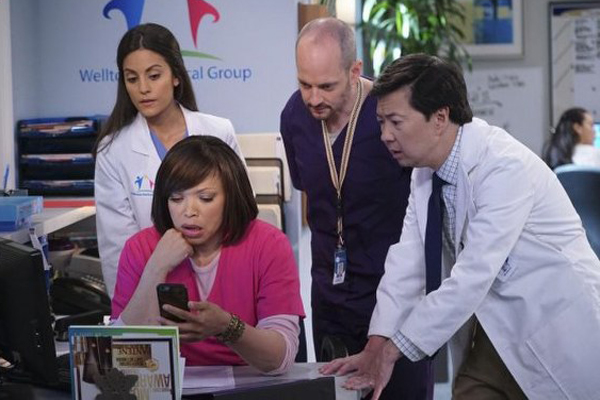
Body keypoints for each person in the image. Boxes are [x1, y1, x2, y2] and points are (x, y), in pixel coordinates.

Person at [321, 53, 600, 400]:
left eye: (395, 122)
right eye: (381, 122)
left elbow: (472, 275)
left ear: (440, 118)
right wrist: (377, 343)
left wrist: (393, 350)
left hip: (551, 325)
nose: (385, 136)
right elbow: (407, 263)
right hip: (492, 331)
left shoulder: (503, 166)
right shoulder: (424, 173)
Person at [279, 18, 432, 399]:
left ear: (355, 70)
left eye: (327, 86)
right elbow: (305, 185)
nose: (314, 98)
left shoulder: (389, 115)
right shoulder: (294, 116)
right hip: (329, 292)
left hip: (393, 291)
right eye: (305, 84)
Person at [111, 135, 305, 373]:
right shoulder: (140, 247)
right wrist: (156, 268)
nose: (189, 211)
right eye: (176, 199)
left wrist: (227, 327)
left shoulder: (268, 244)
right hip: (169, 381)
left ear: (231, 197)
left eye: (205, 198)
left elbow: (279, 359)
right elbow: (117, 357)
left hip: (249, 381)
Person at [93, 23, 244, 298]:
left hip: (222, 282)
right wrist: (128, 313)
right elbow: (117, 250)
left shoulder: (218, 132)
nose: (144, 88)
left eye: (154, 75)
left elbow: (240, 214)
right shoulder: (113, 151)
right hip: (153, 289)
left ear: (176, 76)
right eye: (132, 79)